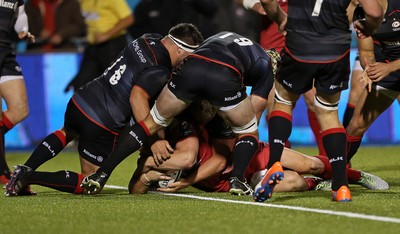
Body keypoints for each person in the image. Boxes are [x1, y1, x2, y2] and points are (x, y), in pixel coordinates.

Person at [5, 23, 204, 196]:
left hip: (82, 99)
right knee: (89, 182)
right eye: (188, 57)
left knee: (66, 133)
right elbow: (137, 96)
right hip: (101, 120)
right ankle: (28, 176)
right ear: (179, 50)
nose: (186, 64)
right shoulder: (160, 69)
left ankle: (26, 167)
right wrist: (153, 139)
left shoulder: (148, 39)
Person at [80, 31, 281, 197]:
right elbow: (255, 111)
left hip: (190, 69)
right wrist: (236, 121)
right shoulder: (265, 65)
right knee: (248, 131)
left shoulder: (222, 36)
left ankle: (102, 173)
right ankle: (237, 179)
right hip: (224, 75)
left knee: (151, 122)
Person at [259, 0, 385, 202]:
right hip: (335, 50)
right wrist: (367, 27)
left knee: (283, 101)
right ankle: (341, 185)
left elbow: (266, 1)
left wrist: (281, 18)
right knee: (328, 112)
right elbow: (374, 11)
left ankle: (274, 163)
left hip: (299, 43)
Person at [128, 102, 388, 195]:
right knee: (295, 181)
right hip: (235, 181)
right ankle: (313, 184)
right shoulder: (153, 153)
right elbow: (134, 188)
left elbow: (216, 161)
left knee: (313, 164)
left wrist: (187, 182)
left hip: (248, 155)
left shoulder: (193, 128)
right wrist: (147, 175)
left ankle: (356, 176)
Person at [346, 0, 399, 164]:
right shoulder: (360, 14)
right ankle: (338, 174)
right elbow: (367, 51)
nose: (354, 1)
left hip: (390, 67)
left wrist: (389, 68)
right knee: (356, 125)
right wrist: (369, 70)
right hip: (388, 68)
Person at [64, 0, 134, 93]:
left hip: (113, 44)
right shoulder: (83, 1)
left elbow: (129, 19)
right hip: (93, 46)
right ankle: (84, 107)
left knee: (113, 83)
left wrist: (106, 35)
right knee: (81, 83)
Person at [0, 0, 35, 186]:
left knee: (20, 109)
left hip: (6, 52)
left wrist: (23, 30)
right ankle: (2, 172)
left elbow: (20, 14)